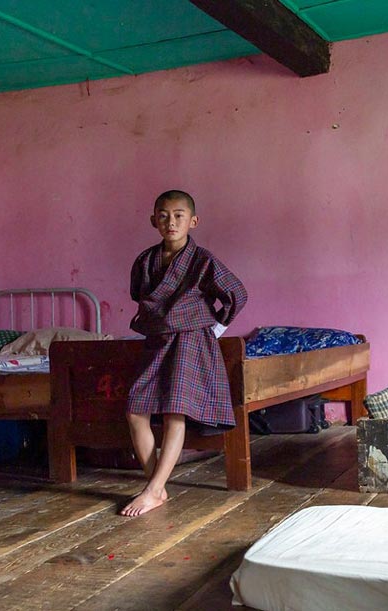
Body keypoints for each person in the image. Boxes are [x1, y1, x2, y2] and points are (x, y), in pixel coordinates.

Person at [122, 189, 247, 517]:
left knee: (174, 411)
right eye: (163, 215)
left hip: (191, 338)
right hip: (157, 338)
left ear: (193, 221)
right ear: (154, 220)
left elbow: (237, 293)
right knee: (136, 411)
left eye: (179, 215)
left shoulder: (203, 260)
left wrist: (216, 328)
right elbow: (139, 294)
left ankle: (152, 490)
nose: (171, 222)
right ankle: (157, 487)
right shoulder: (145, 260)